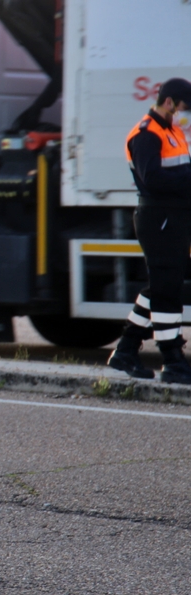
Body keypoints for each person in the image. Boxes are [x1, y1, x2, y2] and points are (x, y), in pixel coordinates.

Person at [107, 78, 191, 384]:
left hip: (174, 217)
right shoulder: (146, 134)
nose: (186, 114)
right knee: (167, 291)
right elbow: (153, 180)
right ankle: (173, 361)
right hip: (158, 217)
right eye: (184, 108)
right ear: (168, 102)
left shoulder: (173, 131)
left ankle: (125, 351)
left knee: (162, 286)